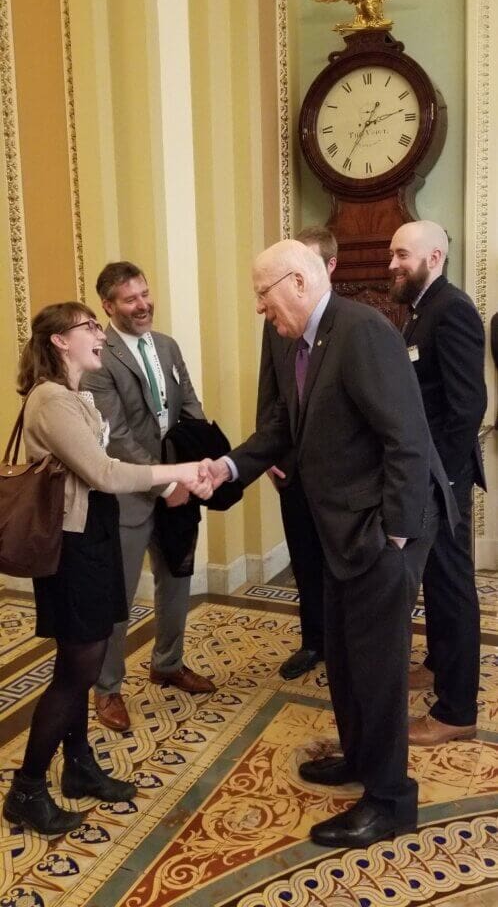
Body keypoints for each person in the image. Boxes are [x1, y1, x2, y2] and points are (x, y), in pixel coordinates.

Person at [202, 240, 456, 850]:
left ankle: (391, 800)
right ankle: (362, 760)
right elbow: (281, 431)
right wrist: (227, 469)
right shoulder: (302, 339)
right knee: (342, 657)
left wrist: (393, 536)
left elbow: (406, 438)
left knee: (376, 667)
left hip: (379, 530)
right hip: (341, 531)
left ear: (295, 281)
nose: (261, 310)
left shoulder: (360, 329)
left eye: (262, 297)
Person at [2, 302, 212, 837]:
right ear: (59, 342)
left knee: (83, 665)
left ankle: (78, 767)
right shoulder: (50, 401)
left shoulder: (76, 396)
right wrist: (180, 471)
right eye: (89, 327)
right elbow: (103, 470)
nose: (100, 334)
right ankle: (26, 790)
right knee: (76, 673)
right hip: (70, 548)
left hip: (93, 535)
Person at [83, 262, 215, 734]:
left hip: (180, 488)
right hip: (130, 494)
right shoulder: (101, 356)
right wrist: (165, 482)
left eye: (144, 293)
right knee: (117, 594)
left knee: (176, 578)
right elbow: (116, 436)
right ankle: (108, 687)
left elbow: (191, 407)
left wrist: (203, 465)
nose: (143, 305)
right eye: (130, 299)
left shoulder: (167, 346)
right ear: (109, 307)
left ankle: (168, 662)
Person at [389, 220, 487, 746]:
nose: (393, 264)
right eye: (391, 255)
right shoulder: (422, 311)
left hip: (443, 477)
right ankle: (436, 665)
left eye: (402, 254)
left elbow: (469, 405)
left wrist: (444, 479)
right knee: (438, 582)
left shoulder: (452, 311)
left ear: (434, 256)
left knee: (452, 588)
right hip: (430, 474)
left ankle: (456, 711)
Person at [257, 226, 337, 679]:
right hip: (290, 466)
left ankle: (344, 643)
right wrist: (265, 451)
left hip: (336, 475)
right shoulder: (276, 324)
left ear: (325, 269)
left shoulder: (355, 324)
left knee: (339, 564)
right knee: (303, 558)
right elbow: (269, 389)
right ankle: (313, 642)